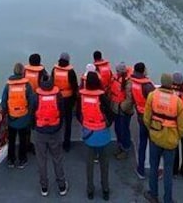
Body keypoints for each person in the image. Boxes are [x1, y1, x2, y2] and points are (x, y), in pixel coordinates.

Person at [143, 73, 183, 203]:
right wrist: (178, 136)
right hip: (170, 140)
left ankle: (153, 194)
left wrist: (151, 129)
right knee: (168, 171)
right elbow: (182, 125)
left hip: (155, 137)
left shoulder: (152, 96)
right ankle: (168, 199)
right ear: (171, 84)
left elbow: (146, 118)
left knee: (154, 167)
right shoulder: (177, 101)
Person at [76, 71, 114, 201]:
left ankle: (90, 190)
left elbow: (78, 114)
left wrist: (86, 123)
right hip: (102, 134)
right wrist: (105, 124)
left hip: (88, 135)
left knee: (89, 165)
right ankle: (105, 189)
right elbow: (110, 114)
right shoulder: (102, 97)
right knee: (104, 165)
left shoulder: (81, 96)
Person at [32, 75, 68, 197]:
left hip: (40, 131)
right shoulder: (58, 95)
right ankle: (62, 186)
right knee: (57, 159)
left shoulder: (36, 95)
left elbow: (32, 112)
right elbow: (62, 112)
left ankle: (44, 187)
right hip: (55, 131)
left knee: (42, 160)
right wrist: (59, 126)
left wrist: (35, 127)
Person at [1, 62, 36, 169]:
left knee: (11, 140)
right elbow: (31, 101)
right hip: (24, 117)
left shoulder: (8, 86)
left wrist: (7, 113)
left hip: (12, 118)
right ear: (22, 72)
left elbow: (3, 101)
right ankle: (22, 160)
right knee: (22, 140)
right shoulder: (27, 85)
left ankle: (11, 160)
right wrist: (29, 114)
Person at [130, 62, 155, 179]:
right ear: (143, 70)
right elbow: (155, 100)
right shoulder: (147, 86)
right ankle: (154, 171)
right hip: (149, 117)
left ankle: (140, 169)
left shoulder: (133, 82)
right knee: (154, 144)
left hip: (140, 115)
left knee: (142, 143)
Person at [53, 52, 79, 152]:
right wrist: (75, 101)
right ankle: (66, 144)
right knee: (68, 123)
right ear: (68, 61)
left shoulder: (54, 70)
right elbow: (75, 86)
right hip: (68, 100)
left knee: (57, 121)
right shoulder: (71, 72)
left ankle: (55, 143)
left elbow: (51, 83)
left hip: (57, 99)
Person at [108, 62, 133, 159]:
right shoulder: (115, 78)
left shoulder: (128, 82)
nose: (116, 72)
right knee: (117, 129)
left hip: (123, 111)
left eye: (118, 71)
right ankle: (120, 146)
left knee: (124, 130)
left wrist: (122, 107)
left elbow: (129, 99)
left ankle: (125, 149)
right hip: (115, 108)